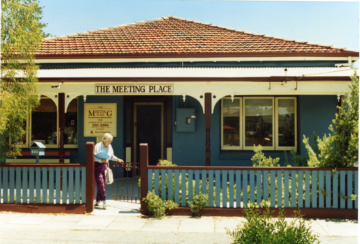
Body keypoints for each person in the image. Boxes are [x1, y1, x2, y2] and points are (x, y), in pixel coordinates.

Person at [94, 133, 124, 209]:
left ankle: (97, 201)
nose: (110, 142)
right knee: (101, 184)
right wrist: (101, 160)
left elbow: (111, 156)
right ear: (104, 140)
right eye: (108, 141)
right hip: (97, 167)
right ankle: (104, 201)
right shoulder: (98, 146)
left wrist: (118, 159)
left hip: (104, 167)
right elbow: (93, 157)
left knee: (103, 184)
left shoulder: (109, 146)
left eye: (110, 141)